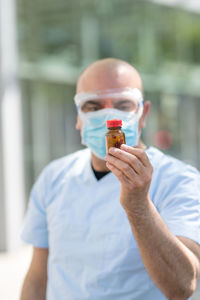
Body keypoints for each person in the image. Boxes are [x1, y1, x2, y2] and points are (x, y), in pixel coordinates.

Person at [20, 58, 200, 300]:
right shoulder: (55, 177)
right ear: (78, 117)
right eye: (93, 107)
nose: (108, 118)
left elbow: (182, 285)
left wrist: (138, 206)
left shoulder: (179, 180)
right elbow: (37, 278)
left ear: (143, 114)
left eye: (122, 105)